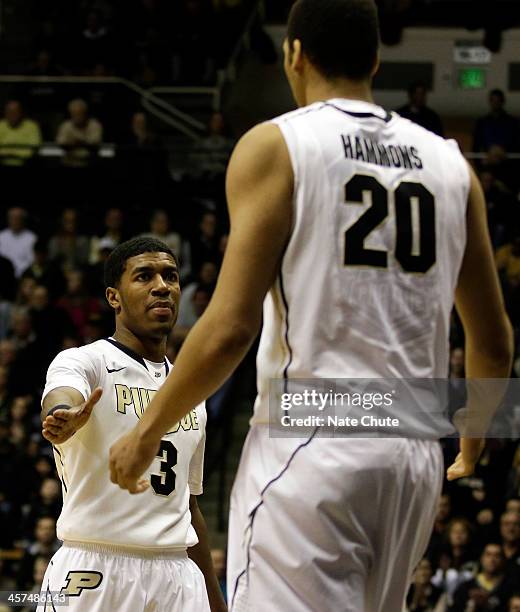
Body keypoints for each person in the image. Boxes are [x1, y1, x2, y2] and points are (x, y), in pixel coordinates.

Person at [109, 1, 513, 610]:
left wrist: (147, 431)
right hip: (414, 455)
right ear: (376, 59)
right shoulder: (453, 167)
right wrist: (474, 443)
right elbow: (493, 338)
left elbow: (231, 327)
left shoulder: (278, 145)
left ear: (293, 54)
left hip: (313, 438)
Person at [39, 238, 226, 611]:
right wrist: (63, 415)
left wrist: (215, 599)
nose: (162, 286)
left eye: (170, 276)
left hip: (177, 574)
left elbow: (188, 505)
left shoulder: (190, 390)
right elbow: (62, 394)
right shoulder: (85, 361)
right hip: (94, 567)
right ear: (114, 297)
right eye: (144, 276)